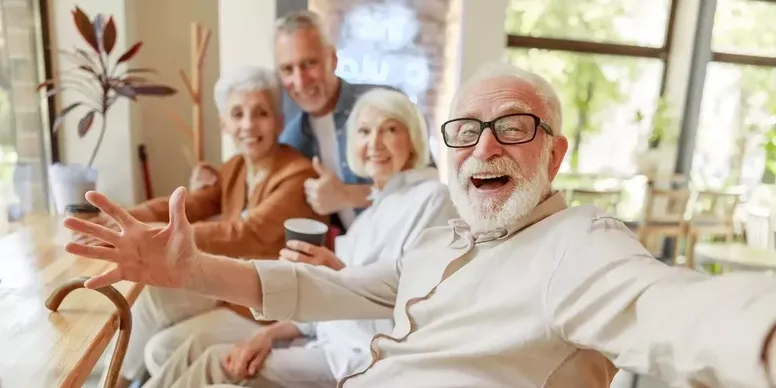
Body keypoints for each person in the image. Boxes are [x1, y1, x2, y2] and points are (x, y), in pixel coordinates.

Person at [63, 62, 776, 388]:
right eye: (466, 132)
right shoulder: (444, 243)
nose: (485, 147)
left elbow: (675, 308)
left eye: (513, 128)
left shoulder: (579, 245)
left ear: (555, 155)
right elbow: (321, 292)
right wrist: (187, 271)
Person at [139, 88, 457, 388]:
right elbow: (328, 302)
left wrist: (338, 273)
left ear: (413, 139)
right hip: (323, 337)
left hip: (363, 357)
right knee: (189, 344)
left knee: (215, 362)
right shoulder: (373, 211)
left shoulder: (432, 199)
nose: (374, 143)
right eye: (364, 131)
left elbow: (414, 300)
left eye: (390, 129)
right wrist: (270, 335)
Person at [93, 66, 327, 388]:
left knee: (161, 349)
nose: (248, 124)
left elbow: (246, 234)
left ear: (279, 122)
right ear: (224, 124)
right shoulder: (237, 167)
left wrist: (158, 237)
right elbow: (195, 203)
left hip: (265, 304)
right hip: (229, 288)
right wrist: (127, 216)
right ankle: (111, 381)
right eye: (237, 114)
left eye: (261, 113)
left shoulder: (296, 176)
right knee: (149, 298)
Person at [191, 10, 396, 233]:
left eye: (309, 64)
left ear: (333, 59)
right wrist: (212, 185)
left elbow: (428, 186)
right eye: (288, 69)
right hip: (348, 260)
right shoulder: (293, 138)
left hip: (412, 251)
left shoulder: (382, 105)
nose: (299, 81)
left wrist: (348, 195)